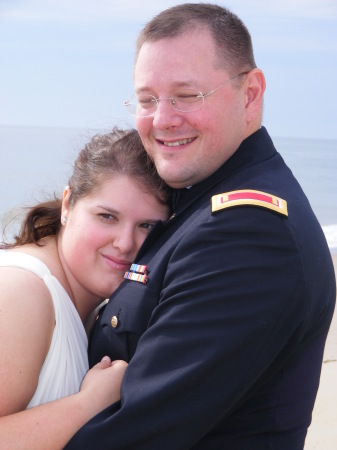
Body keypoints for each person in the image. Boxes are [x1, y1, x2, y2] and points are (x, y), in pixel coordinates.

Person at [66, 4, 336, 450]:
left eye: (187, 95)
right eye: (147, 99)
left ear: (250, 94)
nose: (162, 119)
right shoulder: (197, 202)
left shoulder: (249, 232)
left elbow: (133, 437)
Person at [0, 127, 170, 449]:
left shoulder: (88, 305)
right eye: (107, 216)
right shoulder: (23, 292)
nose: (124, 243)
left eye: (147, 226)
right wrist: (89, 404)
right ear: (67, 205)